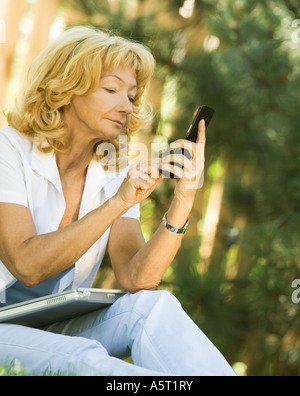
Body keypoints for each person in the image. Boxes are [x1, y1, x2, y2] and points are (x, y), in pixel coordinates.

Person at [0, 26, 235, 376]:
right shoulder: (9, 150)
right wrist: (116, 203)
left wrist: (183, 200)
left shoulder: (111, 166)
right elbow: (27, 265)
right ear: (66, 88)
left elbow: (136, 277)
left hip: (50, 326)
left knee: (153, 307)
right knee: (82, 359)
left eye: (131, 95)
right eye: (111, 89)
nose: (126, 106)